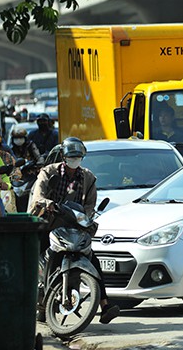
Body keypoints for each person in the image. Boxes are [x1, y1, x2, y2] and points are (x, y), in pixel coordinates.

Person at [28, 137, 119, 324]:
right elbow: (39, 196)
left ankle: (105, 304)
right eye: (71, 156)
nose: (75, 159)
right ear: (63, 156)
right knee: (38, 257)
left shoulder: (88, 177)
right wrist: (49, 204)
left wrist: (84, 218)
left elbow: (89, 205)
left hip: (73, 226)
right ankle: (40, 302)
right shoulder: (48, 172)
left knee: (92, 260)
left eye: (78, 156)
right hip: (48, 223)